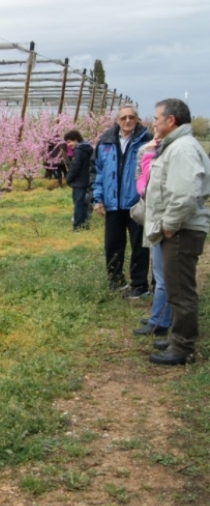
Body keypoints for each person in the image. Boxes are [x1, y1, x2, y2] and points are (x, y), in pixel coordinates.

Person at [144, 99, 210, 365]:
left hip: (181, 231)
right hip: (179, 229)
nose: (154, 123)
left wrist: (169, 225)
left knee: (181, 291)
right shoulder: (175, 146)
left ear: (171, 120)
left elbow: (184, 194)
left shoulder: (181, 148)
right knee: (175, 288)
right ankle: (177, 338)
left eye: (157, 118)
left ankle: (182, 348)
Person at [90, 105, 152, 297]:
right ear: (117, 120)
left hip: (136, 203)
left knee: (140, 247)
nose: (127, 121)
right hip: (112, 203)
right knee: (113, 245)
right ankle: (116, 281)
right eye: (123, 117)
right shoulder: (105, 142)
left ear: (137, 120)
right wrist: (97, 199)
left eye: (131, 117)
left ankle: (139, 285)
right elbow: (97, 173)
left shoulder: (147, 141)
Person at [132, 136, 171, 337]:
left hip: (165, 219)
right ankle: (159, 317)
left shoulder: (173, 152)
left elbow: (153, 183)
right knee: (159, 271)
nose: (156, 132)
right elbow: (142, 179)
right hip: (153, 215)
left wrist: (149, 155)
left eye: (158, 122)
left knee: (164, 275)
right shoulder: (148, 150)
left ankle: (160, 321)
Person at [64, 130, 93, 231]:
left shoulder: (78, 151)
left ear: (75, 140)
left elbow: (75, 167)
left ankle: (78, 226)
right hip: (86, 180)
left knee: (78, 204)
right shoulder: (87, 148)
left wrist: (68, 179)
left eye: (69, 142)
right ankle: (85, 224)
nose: (68, 145)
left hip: (79, 181)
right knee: (84, 203)